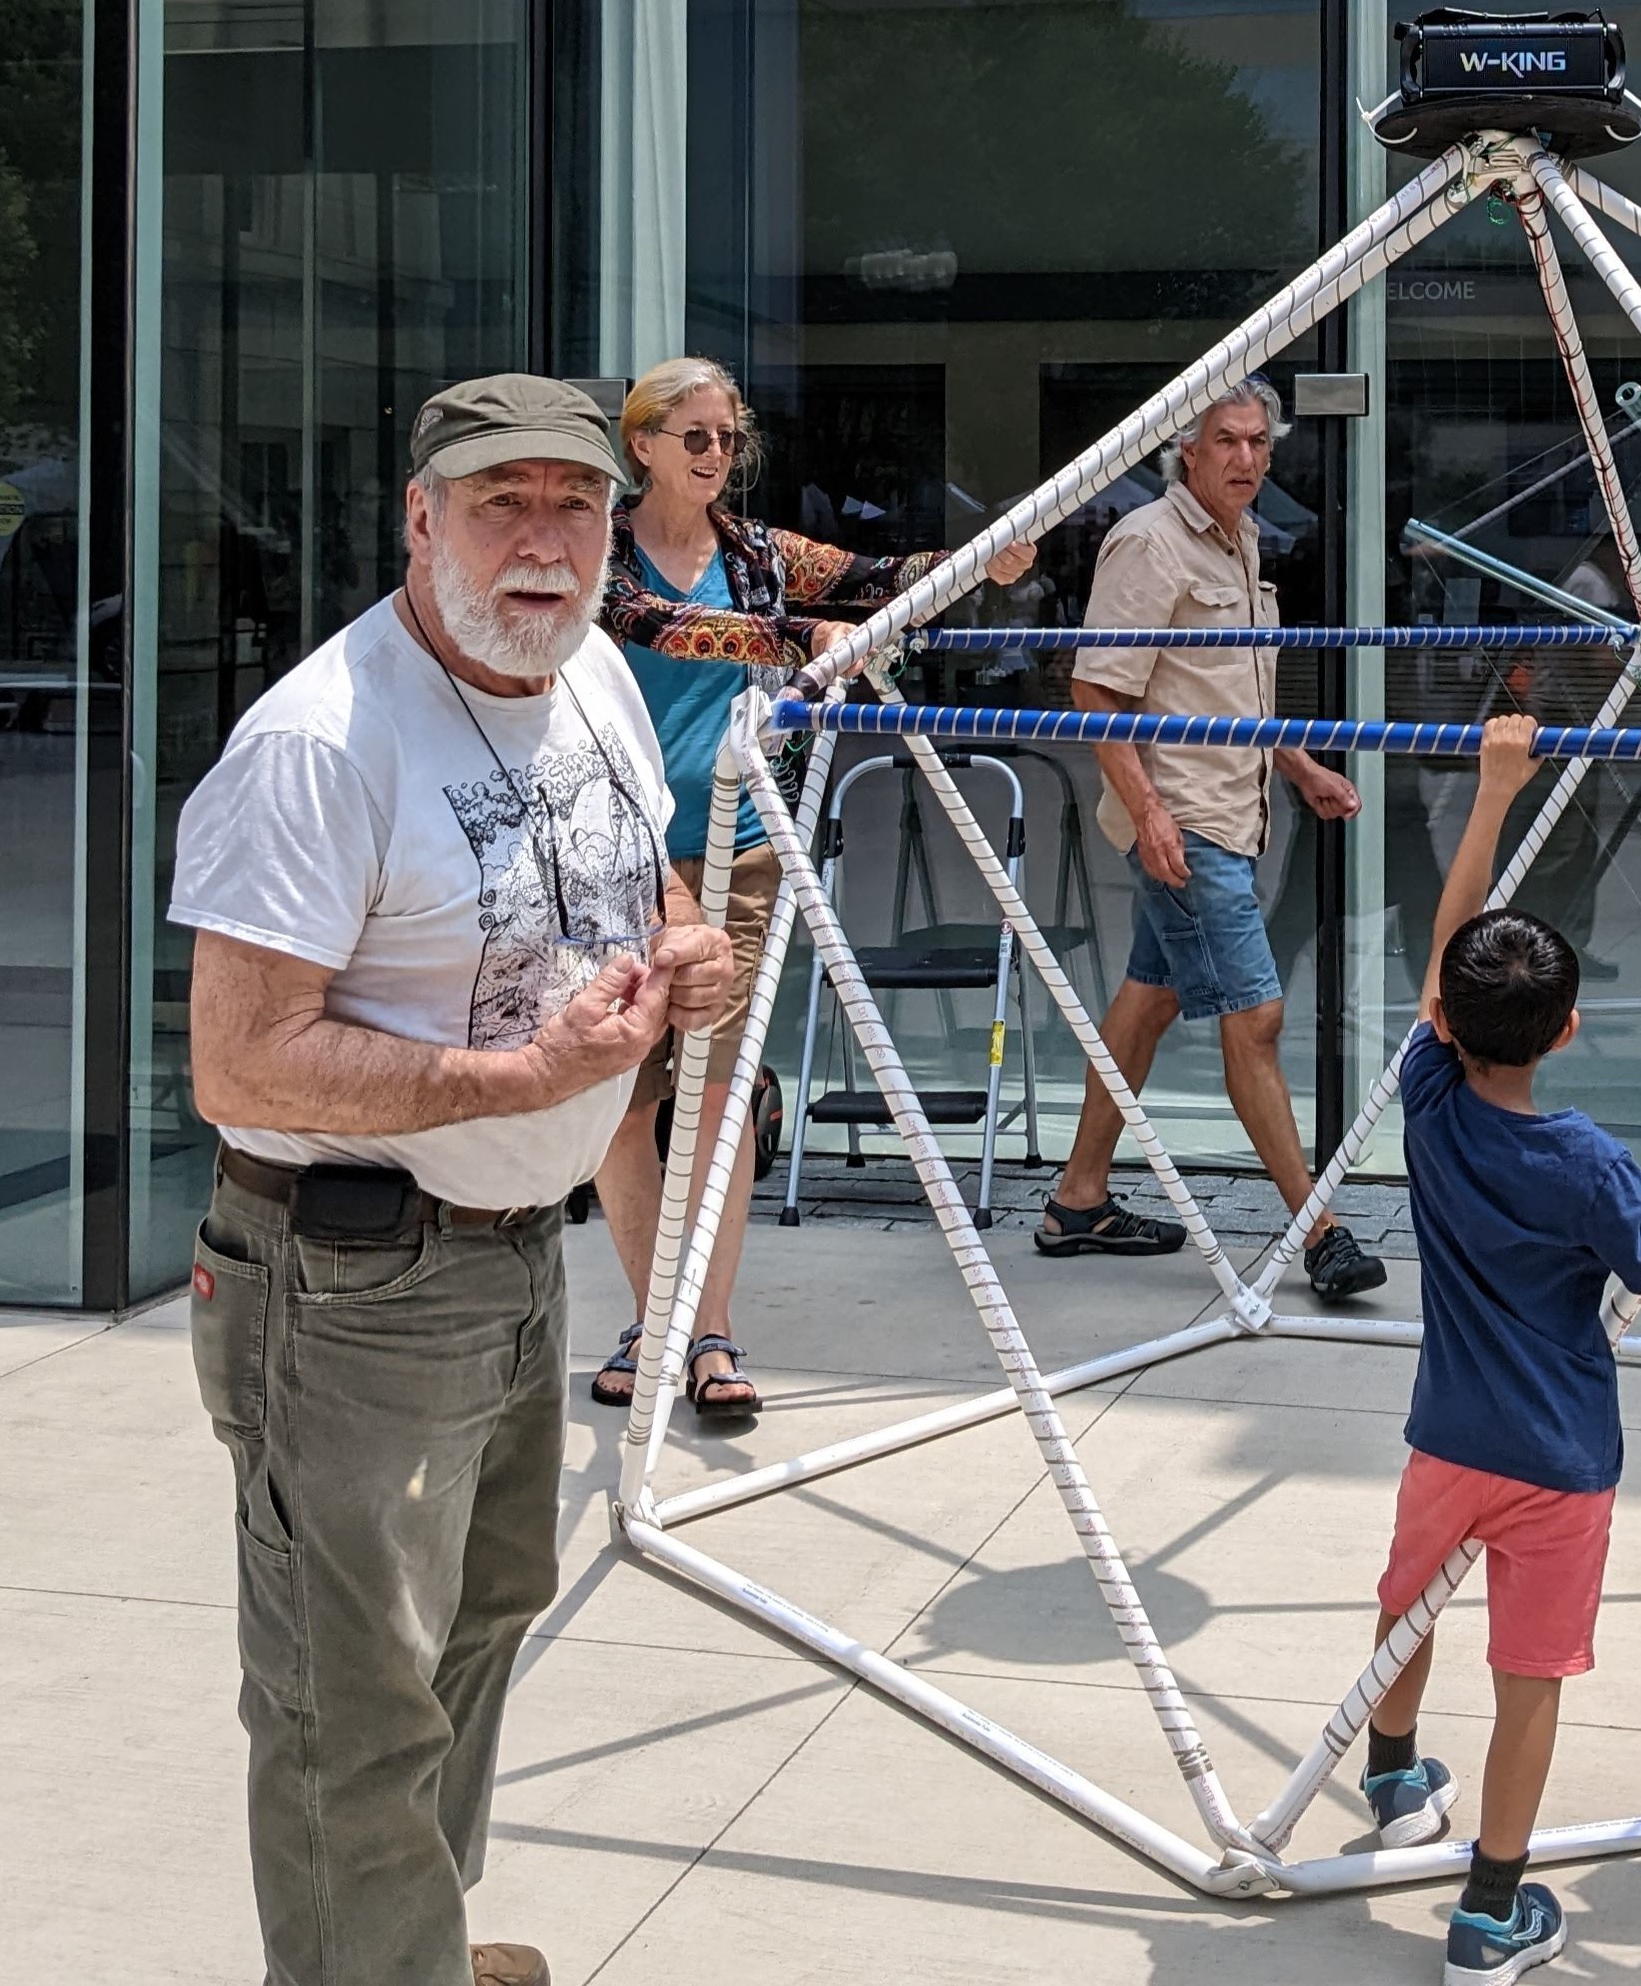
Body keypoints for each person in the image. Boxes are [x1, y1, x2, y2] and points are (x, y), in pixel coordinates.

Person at [168, 373, 736, 1986]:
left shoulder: (594, 673)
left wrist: (679, 950)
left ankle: (408, 1940)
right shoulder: (317, 744)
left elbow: (652, 866)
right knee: (347, 1691)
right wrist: (527, 1079)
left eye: (572, 503)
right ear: (419, 522)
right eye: (500, 504)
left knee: (486, 1612)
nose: (542, 540)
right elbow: (243, 1059)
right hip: (345, 1276)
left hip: (510, 1253)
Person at [1354, 712, 1641, 1986]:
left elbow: (1446, 963)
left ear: (1451, 1025)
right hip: (1560, 1465)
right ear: (1569, 1030)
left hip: (1450, 1435)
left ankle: (1390, 1773)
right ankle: (1491, 1911)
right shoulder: (1586, 1162)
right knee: (1530, 1678)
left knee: (1406, 1606)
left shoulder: (1429, 1103)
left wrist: (1492, 795)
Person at [583, 354, 1035, 1415]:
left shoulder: (759, 554)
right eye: (693, 436)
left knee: (721, 1090)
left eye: (729, 438)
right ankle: (655, 1320)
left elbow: (882, 581)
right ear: (640, 444)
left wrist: (979, 561)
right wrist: (795, 637)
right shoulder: (597, 553)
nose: (715, 455)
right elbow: (655, 626)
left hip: (736, 851)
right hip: (615, 857)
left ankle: (710, 1332)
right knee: (621, 1096)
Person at [1038, 378, 1385, 1300]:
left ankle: (1077, 1200)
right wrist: (1151, 813)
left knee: (1150, 999)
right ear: (1186, 452)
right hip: (1187, 827)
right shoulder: (1148, 542)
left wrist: (1301, 766)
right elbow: (1096, 694)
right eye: (1227, 441)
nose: (1246, 459)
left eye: (1259, 443)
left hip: (1232, 813)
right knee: (1256, 1019)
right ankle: (1320, 1234)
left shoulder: (1245, 541)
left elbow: (1235, 694)